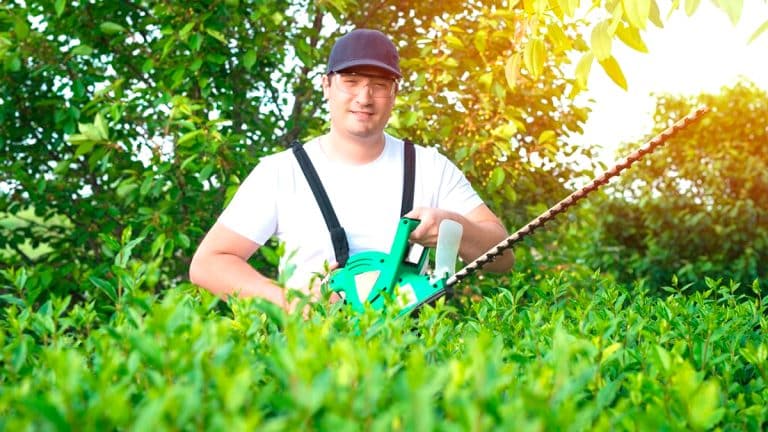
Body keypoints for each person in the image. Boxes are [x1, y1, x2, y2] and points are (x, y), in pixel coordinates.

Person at [189, 28, 514, 312]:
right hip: (310, 364)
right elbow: (209, 263)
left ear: (394, 93)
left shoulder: (431, 168)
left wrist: (452, 227)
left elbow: (503, 256)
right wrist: (291, 305)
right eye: (351, 81)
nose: (364, 97)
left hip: (411, 366)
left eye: (379, 85)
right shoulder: (280, 172)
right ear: (327, 86)